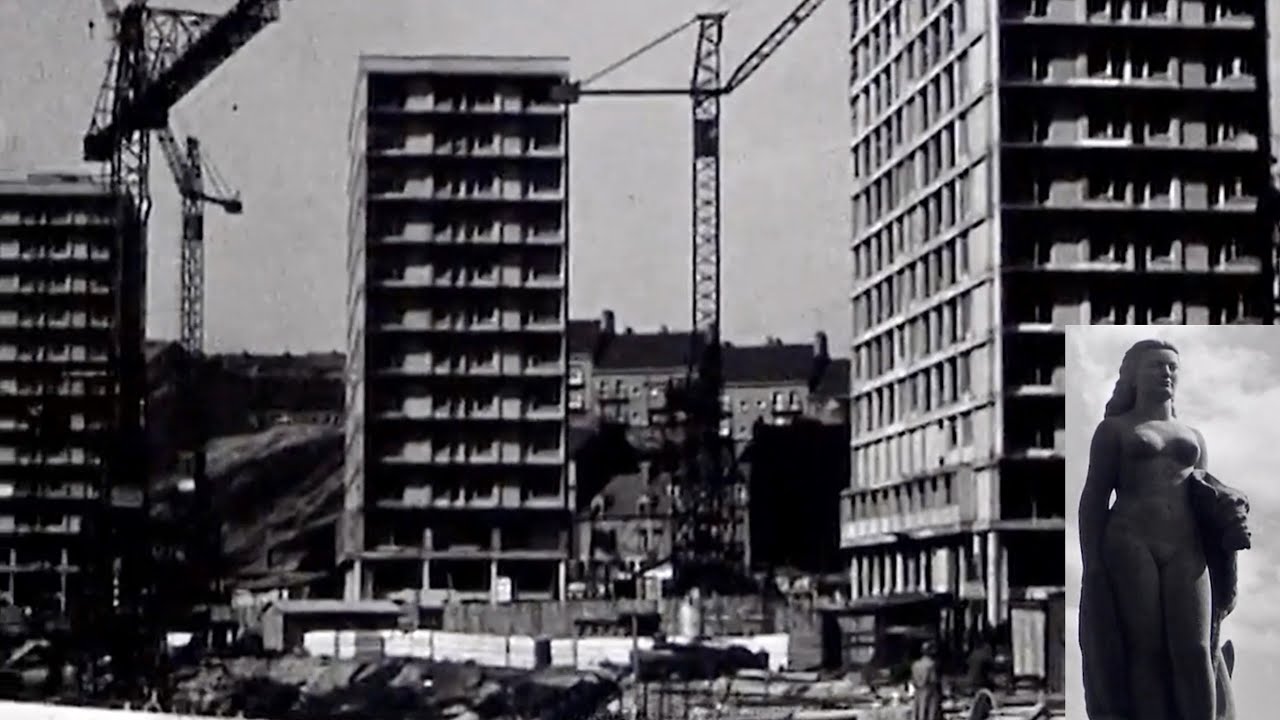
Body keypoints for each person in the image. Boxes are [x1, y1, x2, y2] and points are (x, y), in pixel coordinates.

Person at [1078, 338, 1243, 720]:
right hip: (1131, 540)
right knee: (1146, 647)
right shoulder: (1114, 430)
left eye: (1172, 367)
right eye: (1156, 366)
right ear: (1134, 376)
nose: (1166, 373)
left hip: (1187, 545)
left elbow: (1207, 494)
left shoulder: (1194, 437)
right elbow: (1093, 499)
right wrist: (1094, 565)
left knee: (1196, 648)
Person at [910, 640, 942, 720]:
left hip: (918, 691)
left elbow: (913, 680)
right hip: (929, 692)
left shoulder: (915, 664)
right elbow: (933, 680)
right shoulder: (931, 664)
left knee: (918, 711)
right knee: (930, 713)